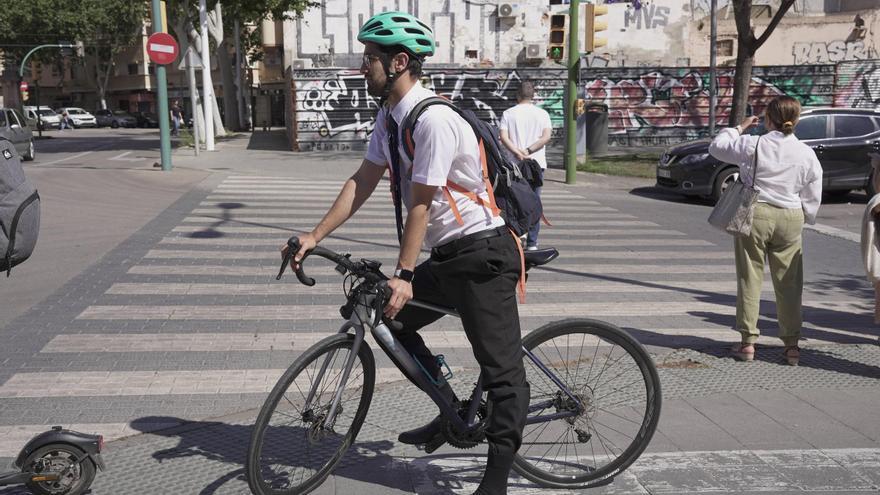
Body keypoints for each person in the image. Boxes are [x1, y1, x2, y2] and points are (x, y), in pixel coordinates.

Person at [286, 11, 529, 495]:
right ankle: (452, 411)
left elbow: (421, 202)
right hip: (449, 254)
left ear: (399, 62)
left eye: (370, 59)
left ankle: (497, 478)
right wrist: (314, 236)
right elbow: (363, 181)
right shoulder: (390, 117)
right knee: (391, 322)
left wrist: (403, 274)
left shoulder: (433, 119)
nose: (363, 67)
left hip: (483, 255)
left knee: (503, 372)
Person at [708, 96, 823, 366]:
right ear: (795, 120)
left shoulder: (754, 143)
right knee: (790, 284)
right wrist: (806, 215)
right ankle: (792, 345)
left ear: (768, 119)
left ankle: (748, 342)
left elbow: (717, 147)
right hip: (791, 216)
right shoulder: (806, 152)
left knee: (750, 278)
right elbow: (813, 190)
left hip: (755, 212)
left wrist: (739, 127)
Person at [498, 82, 552, 251]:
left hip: (514, 165)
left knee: (514, 202)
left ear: (517, 95)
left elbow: (503, 137)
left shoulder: (508, 113)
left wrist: (517, 152)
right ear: (533, 96)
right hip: (536, 165)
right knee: (535, 201)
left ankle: (516, 237)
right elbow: (546, 137)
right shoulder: (542, 113)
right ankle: (532, 242)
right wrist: (528, 150)